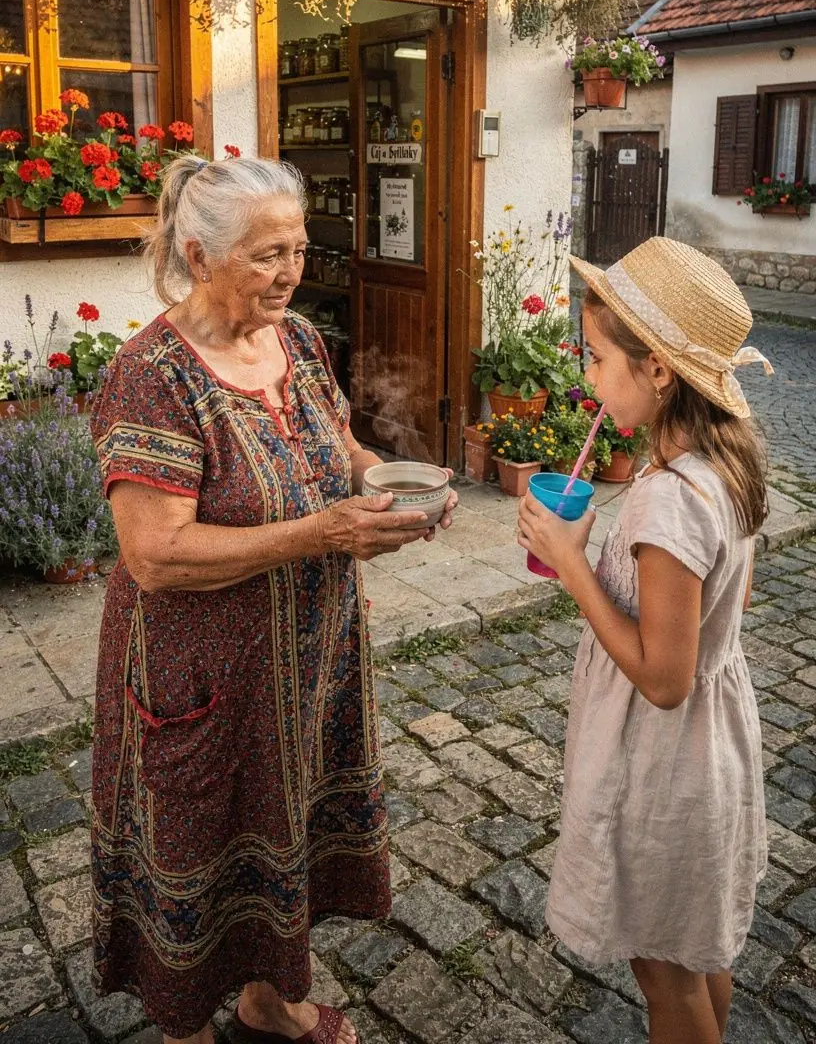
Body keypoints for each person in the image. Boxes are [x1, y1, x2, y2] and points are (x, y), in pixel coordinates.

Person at [89, 154, 457, 1044]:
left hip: (309, 659)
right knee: (196, 845)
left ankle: (267, 998)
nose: (291, 271)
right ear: (198, 254)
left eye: (297, 249)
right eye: (266, 255)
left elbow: (341, 445)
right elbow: (156, 555)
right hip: (198, 677)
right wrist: (323, 533)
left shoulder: (294, 341)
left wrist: (394, 483)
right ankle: (186, 1027)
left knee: (283, 827)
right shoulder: (154, 375)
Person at [517, 238, 772, 1044]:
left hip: (664, 765)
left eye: (596, 359)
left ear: (658, 370)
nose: (588, 378)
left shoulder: (666, 505)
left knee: (664, 975)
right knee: (693, 954)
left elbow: (665, 679)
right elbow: (720, 622)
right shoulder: (724, 464)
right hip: (712, 750)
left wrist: (572, 565)